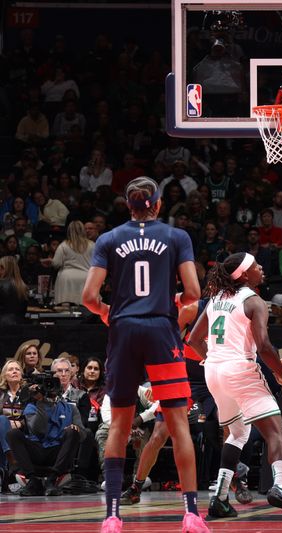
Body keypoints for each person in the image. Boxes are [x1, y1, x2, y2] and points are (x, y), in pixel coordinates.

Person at [81, 176, 206, 533]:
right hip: (161, 330)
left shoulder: (108, 239)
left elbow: (89, 297)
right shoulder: (176, 237)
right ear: (158, 204)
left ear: (128, 205)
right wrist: (170, 304)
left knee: (119, 426)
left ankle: (112, 517)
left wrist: (110, 313)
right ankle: (191, 515)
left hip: (123, 330)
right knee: (178, 424)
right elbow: (194, 292)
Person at [187, 252, 282, 520]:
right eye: (255, 265)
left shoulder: (216, 299)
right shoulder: (254, 302)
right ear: (243, 275)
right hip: (239, 369)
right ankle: (280, 487)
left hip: (214, 372)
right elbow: (264, 347)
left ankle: (219, 498)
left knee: (238, 433)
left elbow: (193, 339)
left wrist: (212, 357)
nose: (261, 267)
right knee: (275, 432)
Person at [6, 363, 86, 496]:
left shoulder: (71, 408)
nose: (51, 386)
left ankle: (52, 479)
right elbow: (39, 430)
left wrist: (75, 428)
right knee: (12, 434)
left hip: (58, 452)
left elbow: (83, 435)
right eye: (48, 383)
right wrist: (41, 402)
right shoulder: (32, 407)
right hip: (37, 449)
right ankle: (32, 481)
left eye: (54, 383)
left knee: (73, 432)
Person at [52, 221, 94, 305]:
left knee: (65, 309)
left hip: (66, 279)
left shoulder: (63, 245)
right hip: (85, 279)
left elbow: (56, 263)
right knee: (86, 309)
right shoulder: (92, 245)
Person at [0, 360, 31, 477]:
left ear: (21, 374)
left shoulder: (29, 393)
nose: (14, 372)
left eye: (17, 369)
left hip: (22, 433)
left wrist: (20, 424)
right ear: (4, 375)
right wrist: (6, 424)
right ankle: (12, 460)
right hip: (2, 432)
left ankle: (5, 472)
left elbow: (34, 416)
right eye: (11, 369)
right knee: (2, 420)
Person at [0, 256, 29, 326]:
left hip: (2, 327)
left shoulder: (1, 284)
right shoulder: (23, 287)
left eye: (1, 267)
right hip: (19, 326)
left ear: (6, 269)